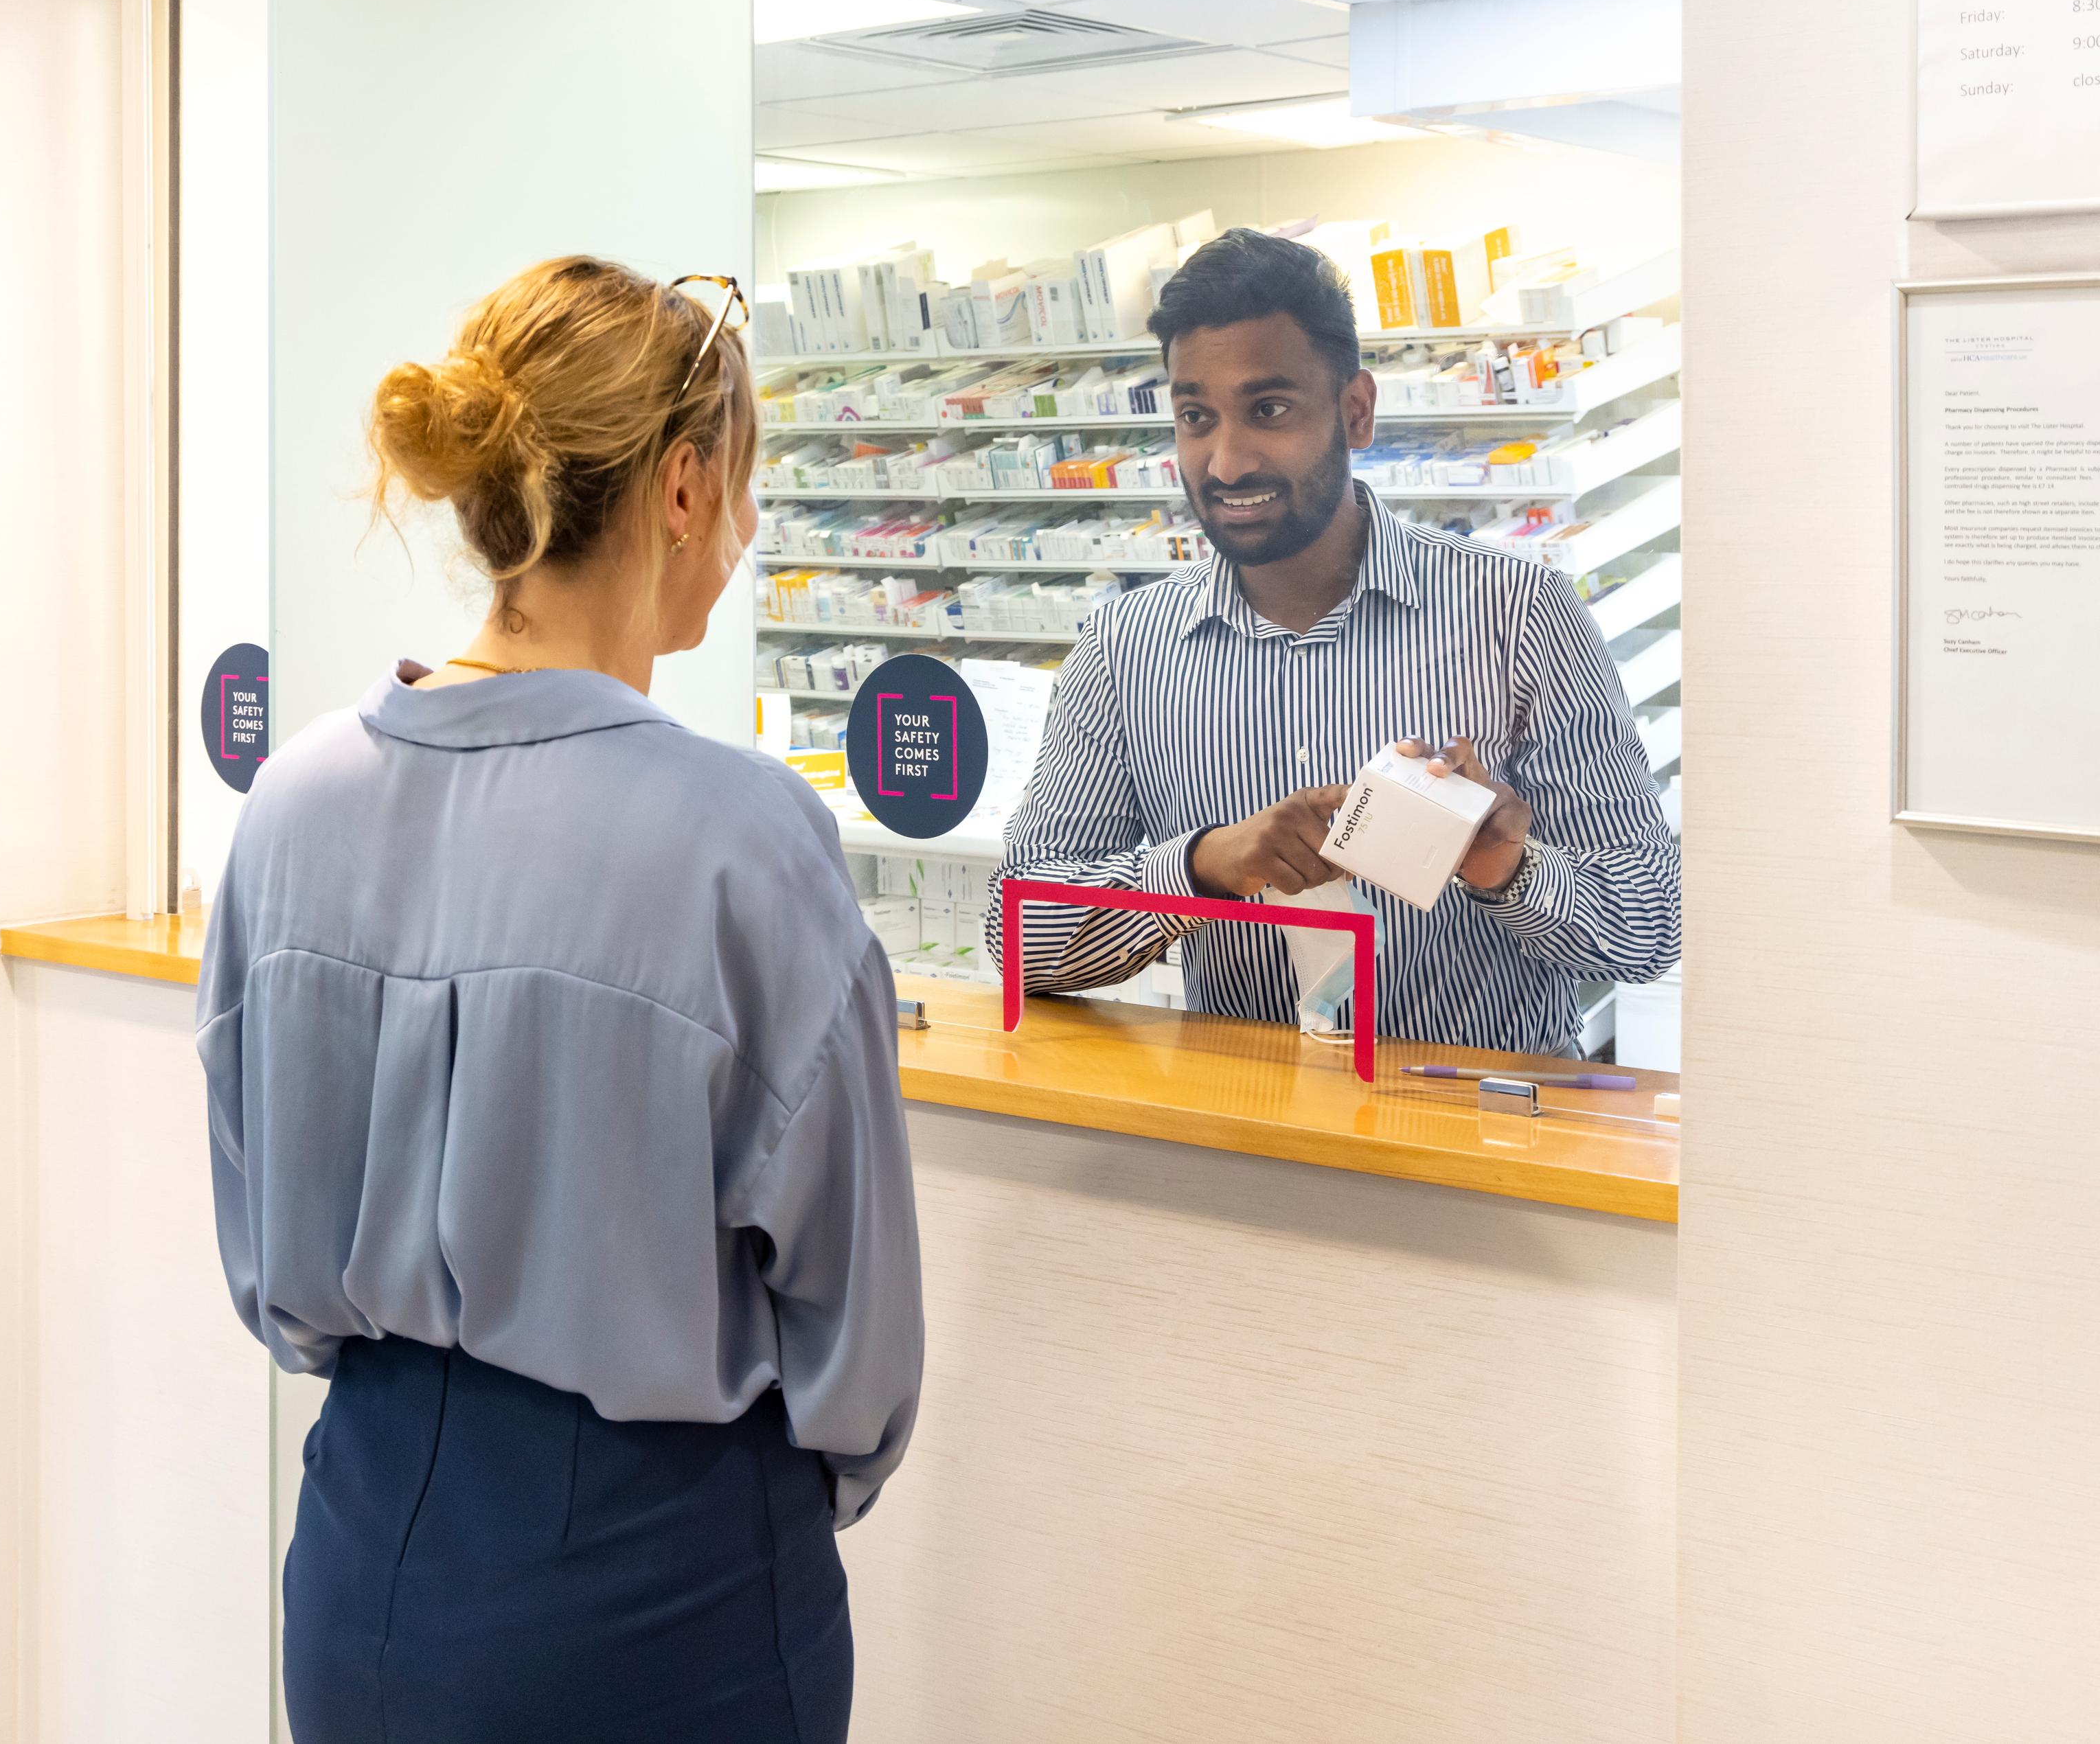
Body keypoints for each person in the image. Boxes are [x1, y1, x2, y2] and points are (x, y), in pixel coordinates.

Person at [196, 256, 924, 1744]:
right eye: (740, 487)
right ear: (678, 488)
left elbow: (261, 1227)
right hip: (662, 1584)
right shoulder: (741, 838)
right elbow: (855, 1329)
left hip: (366, 1544)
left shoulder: (296, 797)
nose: (745, 529)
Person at [988, 225, 1679, 1055]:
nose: (1227, 461)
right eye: (1196, 417)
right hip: (1246, 1137)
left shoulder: (1518, 614)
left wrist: (1510, 870)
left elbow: (1649, 927)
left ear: (1356, 411)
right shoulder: (1125, 648)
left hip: (1482, 1142)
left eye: (1268, 410)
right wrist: (1202, 865)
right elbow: (1018, 933)